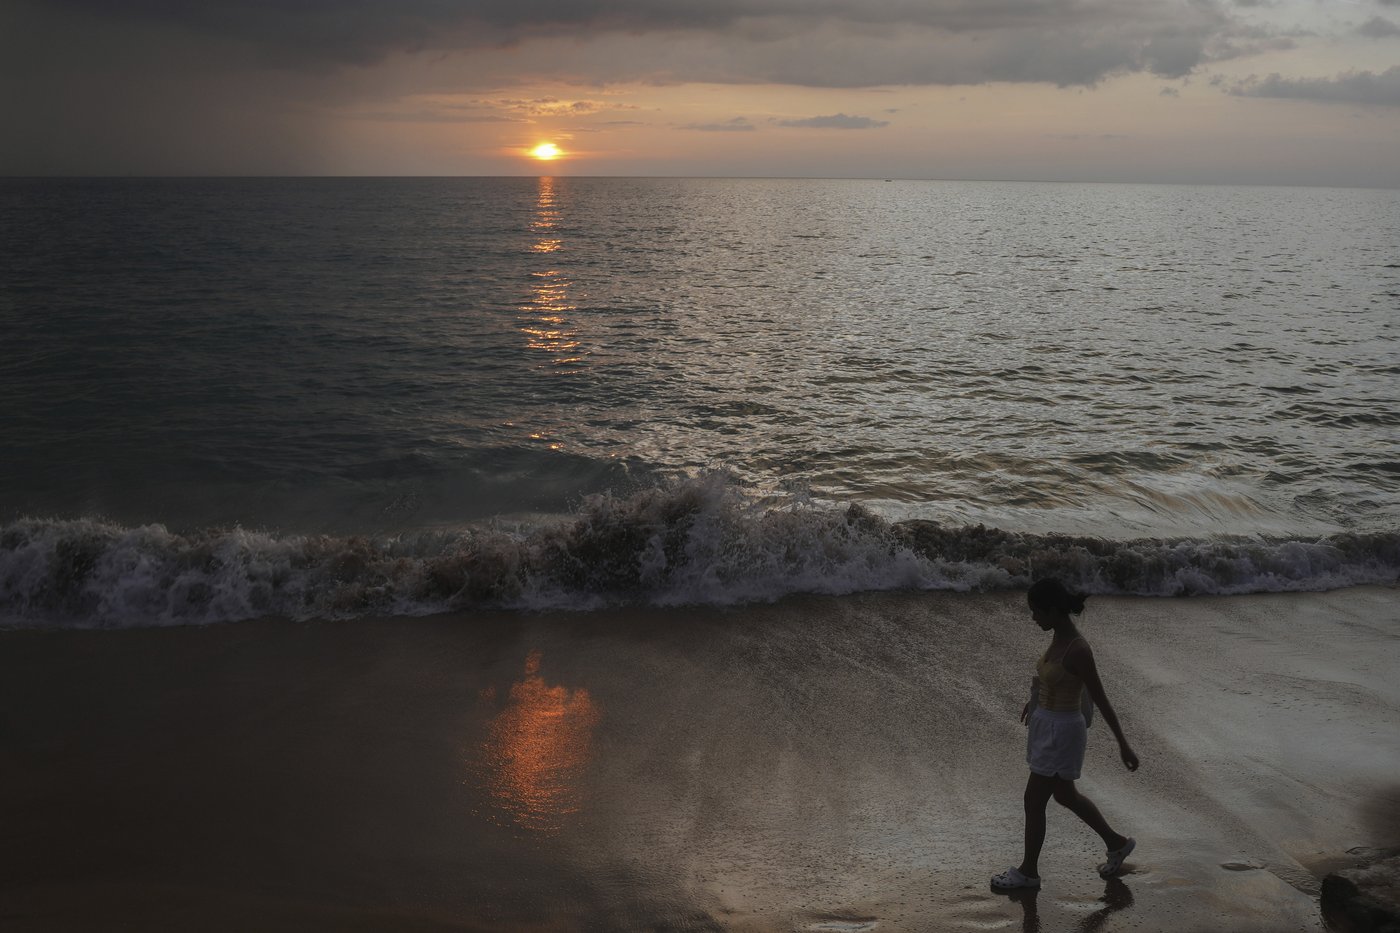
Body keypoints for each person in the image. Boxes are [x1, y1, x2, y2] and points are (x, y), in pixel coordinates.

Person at [991, 578, 1139, 890]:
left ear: (1055, 610)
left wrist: (1123, 744)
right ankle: (1117, 843)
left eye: (1037, 612)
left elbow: (1099, 698)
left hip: (1062, 732)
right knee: (1064, 794)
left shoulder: (1079, 650)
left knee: (1033, 800)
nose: (1033, 618)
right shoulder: (1058, 636)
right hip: (1049, 724)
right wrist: (1036, 700)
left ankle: (1028, 872)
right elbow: (1055, 678)